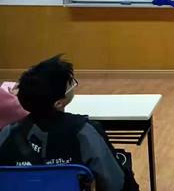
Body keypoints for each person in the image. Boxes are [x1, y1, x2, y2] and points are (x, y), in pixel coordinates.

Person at [0, 55, 138, 191]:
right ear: (58, 103)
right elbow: (116, 184)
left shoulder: (7, 133)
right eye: (71, 84)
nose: (73, 85)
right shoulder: (84, 131)